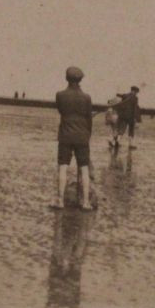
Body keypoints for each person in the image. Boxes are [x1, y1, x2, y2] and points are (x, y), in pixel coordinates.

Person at [54, 66, 96, 209]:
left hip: (65, 135)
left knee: (63, 167)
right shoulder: (87, 97)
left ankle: (60, 201)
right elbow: (89, 119)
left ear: (67, 78)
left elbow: (61, 111)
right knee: (84, 168)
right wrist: (87, 135)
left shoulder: (60, 95)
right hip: (82, 137)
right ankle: (85, 202)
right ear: (80, 80)